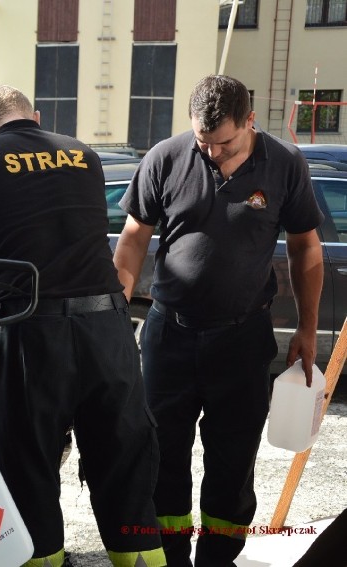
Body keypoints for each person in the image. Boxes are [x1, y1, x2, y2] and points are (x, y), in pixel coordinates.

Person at [0, 85, 167, 567]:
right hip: (108, 328)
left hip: (32, 333)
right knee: (124, 464)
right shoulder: (83, 155)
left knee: (29, 469)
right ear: (36, 116)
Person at [113, 74, 324, 566]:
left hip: (243, 340)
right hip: (170, 336)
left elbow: (305, 249)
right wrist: (116, 310)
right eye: (203, 143)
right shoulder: (166, 157)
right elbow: (133, 236)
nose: (211, 154)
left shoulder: (285, 165)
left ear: (250, 122)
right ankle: (169, 555)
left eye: (224, 144)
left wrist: (308, 329)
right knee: (162, 456)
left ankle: (218, 558)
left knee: (232, 461)